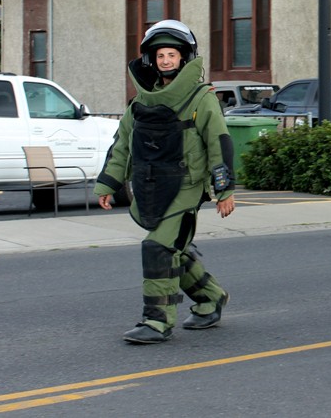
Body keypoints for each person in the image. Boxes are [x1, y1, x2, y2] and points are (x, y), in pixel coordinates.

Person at [94, 19, 236, 345]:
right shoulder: (141, 102)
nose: (166, 60)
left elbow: (219, 143)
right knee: (173, 248)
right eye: (160, 56)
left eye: (172, 54)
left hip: (187, 188)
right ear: (152, 60)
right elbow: (122, 145)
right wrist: (108, 184)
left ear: (184, 58)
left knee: (157, 247)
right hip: (151, 185)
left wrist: (224, 190)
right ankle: (211, 298)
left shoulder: (202, 98)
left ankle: (157, 321)